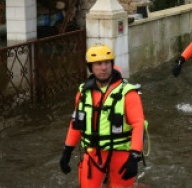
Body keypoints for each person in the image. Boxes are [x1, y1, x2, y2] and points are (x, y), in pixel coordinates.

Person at [59, 44, 145, 188]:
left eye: (107, 63)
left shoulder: (128, 93)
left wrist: (134, 156)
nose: (103, 67)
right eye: (98, 64)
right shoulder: (83, 94)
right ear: (91, 67)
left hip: (120, 153)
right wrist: (67, 151)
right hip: (92, 153)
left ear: (112, 65)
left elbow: (138, 124)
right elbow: (76, 124)